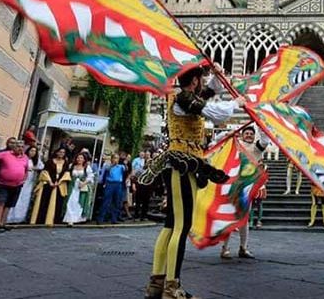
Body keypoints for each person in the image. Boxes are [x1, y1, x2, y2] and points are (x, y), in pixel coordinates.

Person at [141, 66, 238, 299]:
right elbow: (212, 111)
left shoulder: (185, 97)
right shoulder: (183, 98)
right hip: (182, 165)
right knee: (180, 227)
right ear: (194, 81)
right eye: (201, 79)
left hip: (184, 164)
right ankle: (172, 287)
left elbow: (206, 96)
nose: (202, 84)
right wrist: (237, 105)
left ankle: (157, 283)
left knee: (171, 224)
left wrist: (216, 76)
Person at [220, 126, 265, 259]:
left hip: (247, 187)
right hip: (233, 185)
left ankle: (243, 247)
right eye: (247, 133)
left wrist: (262, 127)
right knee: (230, 217)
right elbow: (218, 140)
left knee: (244, 218)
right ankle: (225, 248)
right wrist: (228, 133)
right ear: (242, 134)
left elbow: (265, 141)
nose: (249, 135)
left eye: (251, 133)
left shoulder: (257, 148)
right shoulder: (234, 145)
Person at [0, 141, 30, 231]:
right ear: (13, 147)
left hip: (17, 184)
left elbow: (26, 170)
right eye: (18, 146)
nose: (20, 148)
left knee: (9, 204)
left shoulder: (25, 157)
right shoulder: (5, 154)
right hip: (2, 183)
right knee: (1, 201)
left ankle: (3, 222)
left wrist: (24, 179)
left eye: (22, 147)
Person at [30, 147, 71, 226]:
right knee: (45, 201)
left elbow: (66, 173)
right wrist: (50, 181)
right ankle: (42, 219)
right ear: (56, 152)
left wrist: (59, 182)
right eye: (60, 152)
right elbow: (45, 172)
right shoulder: (50, 161)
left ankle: (54, 220)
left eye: (63, 153)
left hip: (59, 185)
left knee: (57, 203)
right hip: (48, 184)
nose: (61, 154)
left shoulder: (65, 163)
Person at [7, 145, 45, 224]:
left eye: (34, 151)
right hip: (21, 180)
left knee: (25, 198)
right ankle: (10, 217)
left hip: (29, 181)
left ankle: (20, 217)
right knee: (17, 197)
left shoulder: (36, 161)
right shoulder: (23, 158)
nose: (33, 153)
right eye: (31, 151)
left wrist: (35, 168)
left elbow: (41, 167)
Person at [63, 153, 95, 225]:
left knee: (79, 202)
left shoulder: (87, 167)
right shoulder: (71, 166)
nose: (79, 159)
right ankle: (69, 219)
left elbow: (90, 177)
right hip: (72, 186)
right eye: (78, 158)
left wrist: (84, 183)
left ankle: (77, 218)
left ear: (84, 159)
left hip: (81, 187)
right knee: (70, 201)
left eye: (81, 158)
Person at [97, 154, 126, 224]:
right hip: (110, 184)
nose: (116, 160)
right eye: (114, 158)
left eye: (117, 158)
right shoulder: (108, 166)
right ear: (112, 159)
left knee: (117, 202)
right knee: (106, 201)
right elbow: (106, 170)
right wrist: (112, 165)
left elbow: (125, 169)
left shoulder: (121, 166)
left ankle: (114, 219)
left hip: (118, 184)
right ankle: (101, 218)